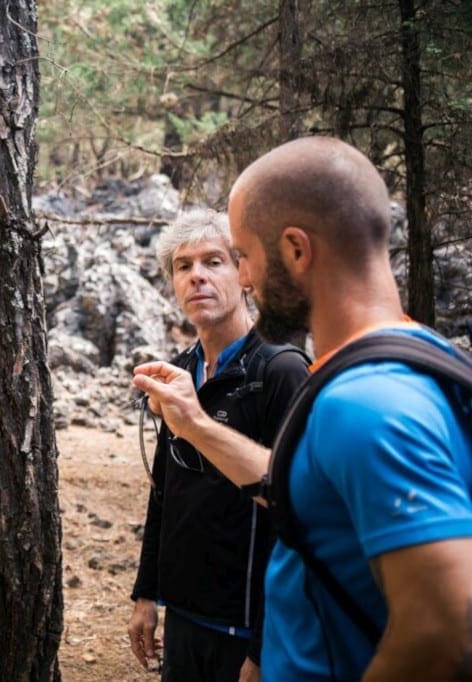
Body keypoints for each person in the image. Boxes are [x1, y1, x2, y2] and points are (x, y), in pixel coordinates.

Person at [132, 136, 472, 679]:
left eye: (241, 256)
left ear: (295, 250)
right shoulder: (415, 357)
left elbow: (445, 625)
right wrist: (194, 424)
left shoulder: (368, 402)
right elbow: (301, 495)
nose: (240, 279)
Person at [128, 209, 309, 681]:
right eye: (183, 266)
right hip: (185, 618)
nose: (197, 278)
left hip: (247, 628)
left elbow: (295, 518)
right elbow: (164, 490)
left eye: (214, 262)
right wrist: (147, 594)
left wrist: (265, 648)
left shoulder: (279, 371)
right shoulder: (178, 371)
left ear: (244, 274)